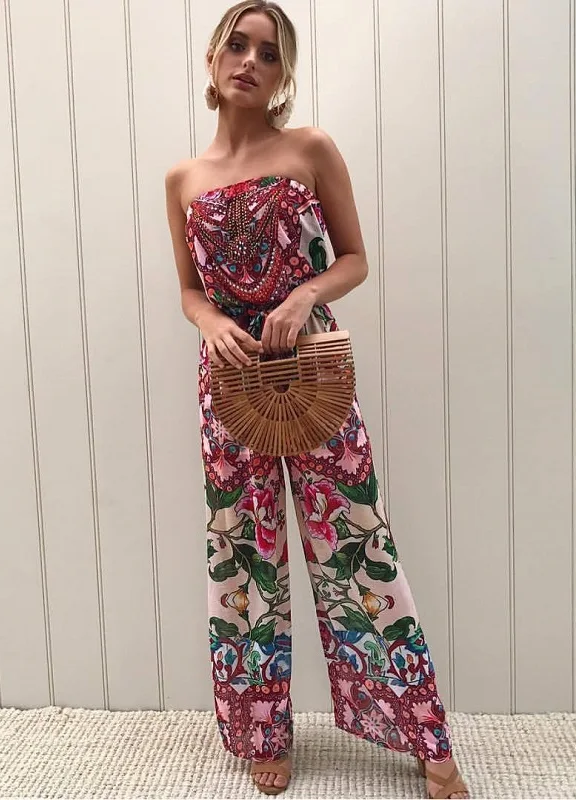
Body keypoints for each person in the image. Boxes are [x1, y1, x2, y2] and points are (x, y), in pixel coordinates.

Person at [165, 2, 469, 797]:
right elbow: (190, 290)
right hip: (230, 384)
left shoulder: (309, 149)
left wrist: (303, 296)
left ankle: (423, 731)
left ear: (283, 75)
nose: (251, 61)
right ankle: (263, 731)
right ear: (213, 58)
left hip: (315, 374)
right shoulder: (182, 179)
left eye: (269, 53)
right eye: (238, 45)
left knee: (357, 544)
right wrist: (209, 323)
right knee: (243, 556)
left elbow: (355, 257)